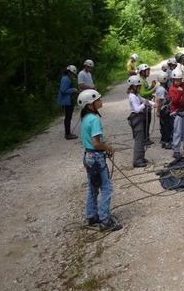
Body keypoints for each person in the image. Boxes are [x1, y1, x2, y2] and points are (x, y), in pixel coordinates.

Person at [78, 89, 122, 232]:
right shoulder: (94, 119)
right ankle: (105, 220)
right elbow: (96, 143)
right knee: (106, 188)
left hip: (88, 156)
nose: (101, 101)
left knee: (93, 187)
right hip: (96, 157)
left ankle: (91, 216)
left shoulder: (85, 118)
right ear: (90, 105)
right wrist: (108, 147)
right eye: (98, 99)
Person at [127, 75, 153, 168]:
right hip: (136, 118)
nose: (139, 88)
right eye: (138, 87)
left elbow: (145, 100)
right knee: (139, 140)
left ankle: (141, 157)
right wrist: (144, 104)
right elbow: (137, 109)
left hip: (139, 118)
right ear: (133, 87)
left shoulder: (136, 95)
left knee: (141, 139)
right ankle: (137, 160)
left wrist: (155, 104)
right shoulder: (132, 97)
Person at [58, 65, 78, 140]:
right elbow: (63, 90)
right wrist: (73, 90)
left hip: (68, 100)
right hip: (67, 101)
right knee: (68, 117)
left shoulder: (67, 78)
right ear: (69, 72)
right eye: (72, 74)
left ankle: (68, 133)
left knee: (68, 117)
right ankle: (68, 134)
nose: (73, 75)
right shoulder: (65, 79)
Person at [138, 63, 156, 144]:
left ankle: (146, 137)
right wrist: (153, 90)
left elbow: (146, 91)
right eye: (147, 70)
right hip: (144, 105)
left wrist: (151, 87)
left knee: (147, 122)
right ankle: (145, 139)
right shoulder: (142, 81)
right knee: (146, 122)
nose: (148, 72)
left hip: (147, 104)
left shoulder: (144, 81)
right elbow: (142, 94)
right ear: (142, 72)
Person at [154, 72, 173, 149]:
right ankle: (166, 142)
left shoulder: (159, 88)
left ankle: (164, 140)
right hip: (164, 109)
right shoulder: (162, 90)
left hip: (163, 109)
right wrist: (158, 111)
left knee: (163, 125)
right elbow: (160, 101)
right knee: (167, 126)